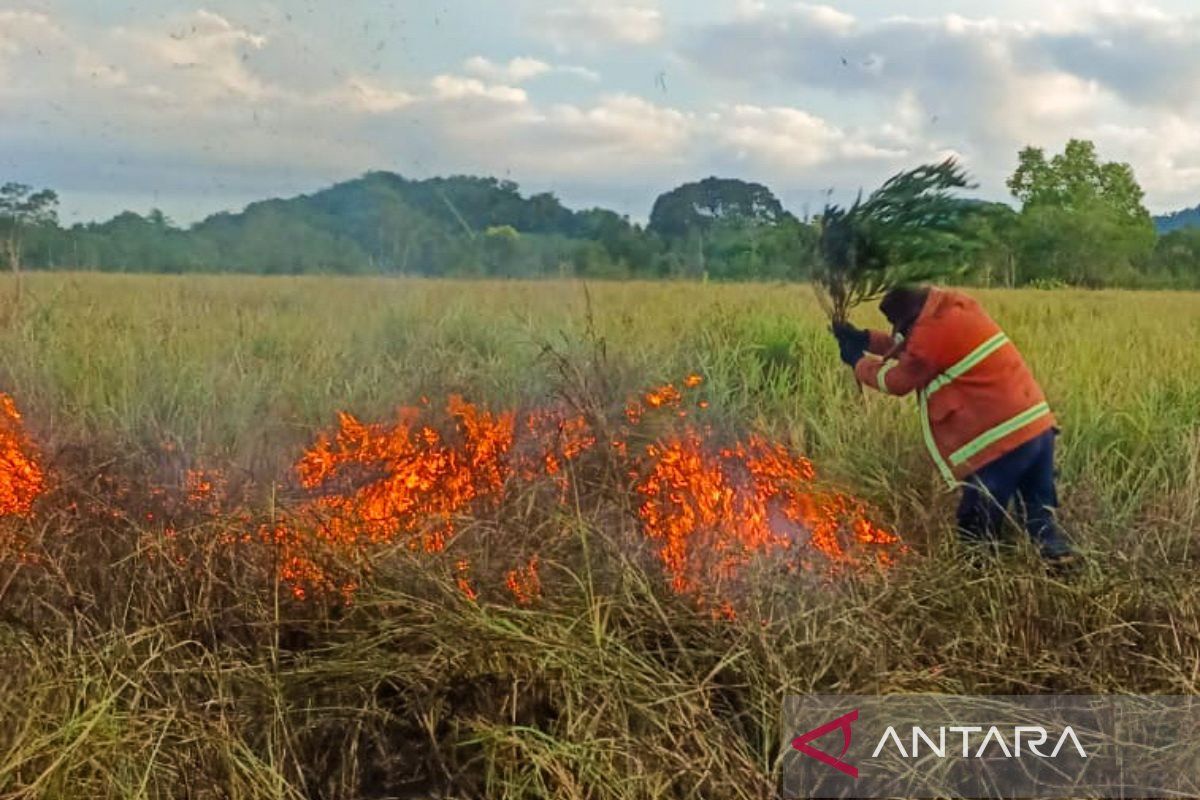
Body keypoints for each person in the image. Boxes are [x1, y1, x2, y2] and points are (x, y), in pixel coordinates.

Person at [832, 285, 1075, 566]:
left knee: (976, 533)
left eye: (899, 326)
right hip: (1037, 431)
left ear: (912, 319)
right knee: (1040, 523)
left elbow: (898, 381)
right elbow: (914, 347)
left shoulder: (928, 336)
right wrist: (865, 339)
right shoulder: (952, 309)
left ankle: (982, 591)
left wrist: (858, 362)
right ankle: (1058, 564)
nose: (897, 332)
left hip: (1000, 446)